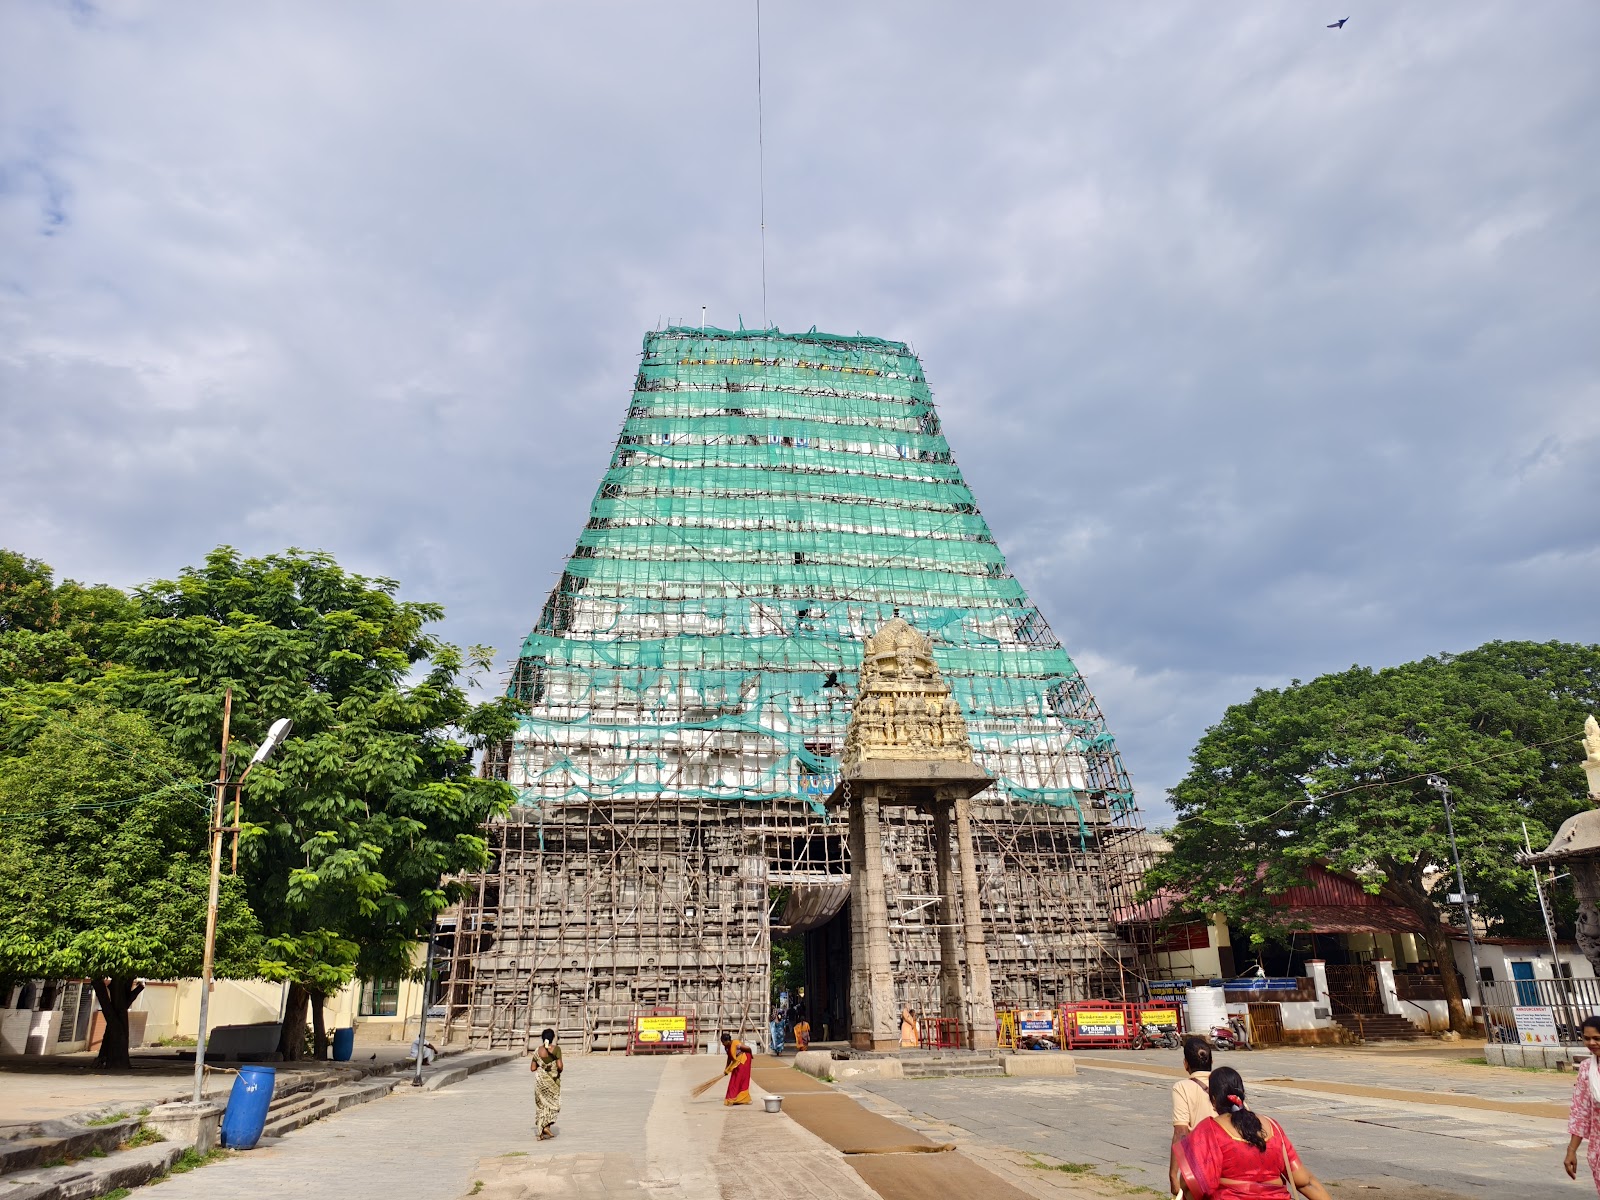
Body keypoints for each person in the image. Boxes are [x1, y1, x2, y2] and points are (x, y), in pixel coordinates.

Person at [1176, 1066, 1331, 1200]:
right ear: (1242, 1094)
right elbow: (1305, 1181)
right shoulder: (1272, 1127)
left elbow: (1190, 1183)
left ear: (1214, 1100)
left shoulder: (1209, 1130)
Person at [1168, 1037, 1213, 1195]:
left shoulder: (1182, 1087)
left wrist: (1173, 1174)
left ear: (1185, 1063)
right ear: (1211, 1062)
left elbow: (1181, 1132)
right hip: (1231, 1163)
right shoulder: (1226, 1083)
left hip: (1200, 1167)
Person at [1563, 1015, 1600, 1192]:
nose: (1591, 1042)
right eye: (1587, 1038)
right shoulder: (1587, 1069)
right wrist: (1571, 1150)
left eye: (1597, 1038)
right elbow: (1581, 1113)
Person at [530, 1028, 563, 1140]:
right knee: (553, 1104)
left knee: (541, 1105)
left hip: (540, 1082)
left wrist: (543, 1066)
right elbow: (560, 1067)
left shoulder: (537, 1051)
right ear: (553, 1038)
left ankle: (542, 1129)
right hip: (552, 1082)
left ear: (543, 1038)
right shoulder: (556, 1049)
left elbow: (533, 1068)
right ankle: (546, 1126)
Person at [720, 1032, 753, 1105]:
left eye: (723, 1042)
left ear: (727, 1041)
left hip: (744, 1060)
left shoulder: (736, 1043)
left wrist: (751, 1055)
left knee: (739, 1079)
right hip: (737, 1061)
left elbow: (748, 1048)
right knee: (734, 1078)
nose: (722, 1044)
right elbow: (729, 1057)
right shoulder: (727, 1047)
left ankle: (740, 1099)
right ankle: (736, 1098)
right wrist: (726, 1069)